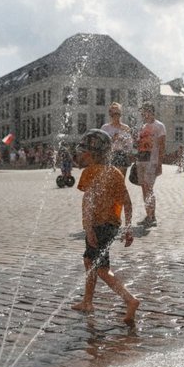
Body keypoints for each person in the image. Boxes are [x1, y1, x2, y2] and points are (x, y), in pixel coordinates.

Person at [70, 129, 139, 324]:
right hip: (112, 226)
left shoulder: (89, 172)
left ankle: (130, 299)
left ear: (92, 154)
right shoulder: (116, 172)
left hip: (97, 226)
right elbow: (127, 201)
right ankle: (87, 302)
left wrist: (89, 229)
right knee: (89, 261)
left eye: (84, 152)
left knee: (101, 268)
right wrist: (128, 227)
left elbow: (89, 203)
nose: (81, 155)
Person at [135, 102, 166, 227]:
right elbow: (139, 144)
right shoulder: (142, 126)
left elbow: (162, 145)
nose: (143, 114)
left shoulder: (159, 126)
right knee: (144, 188)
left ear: (151, 112)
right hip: (141, 160)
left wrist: (159, 163)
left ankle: (152, 217)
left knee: (149, 188)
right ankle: (148, 214)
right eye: (142, 112)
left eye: (145, 111)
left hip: (151, 161)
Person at [101, 102, 134, 177]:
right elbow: (102, 144)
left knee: (120, 181)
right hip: (109, 155)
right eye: (114, 113)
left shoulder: (126, 128)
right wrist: (112, 139)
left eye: (118, 113)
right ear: (110, 114)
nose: (116, 115)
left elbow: (130, 145)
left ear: (121, 114)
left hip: (122, 155)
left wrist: (123, 141)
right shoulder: (105, 128)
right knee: (109, 181)